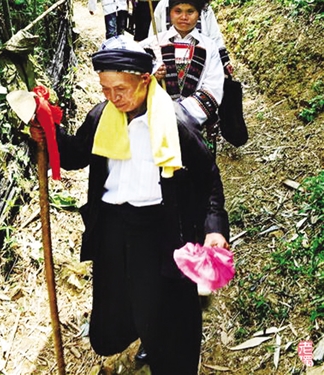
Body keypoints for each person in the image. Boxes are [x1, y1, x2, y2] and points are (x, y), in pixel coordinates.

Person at [30, 37, 230, 375]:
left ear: (144, 80)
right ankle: (137, 335)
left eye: (120, 89)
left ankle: (165, 355)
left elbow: (208, 178)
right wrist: (49, 133)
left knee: (161, 303)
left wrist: (214, 229)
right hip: (112, 225)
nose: (113, 97)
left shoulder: (176, 123)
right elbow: (76, 154)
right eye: (105, 89)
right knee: (118, 299)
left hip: (158, 228)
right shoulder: (102, 116)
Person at [141, 0, 225, 130]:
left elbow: (213, 87)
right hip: (156, 120)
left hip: (194, 122)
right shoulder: (153, 44)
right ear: (170, 13)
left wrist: (180, 114)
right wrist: (153, 76)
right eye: (178, 11)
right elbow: (135, 78)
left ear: (199, 14)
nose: (184, 17)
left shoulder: (209, 47)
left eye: (190, 12)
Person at [150, 0, 232, 73]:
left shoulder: (201, 2)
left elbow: (213, 33)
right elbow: (154, 34)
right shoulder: (163, 5)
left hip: (200, 59)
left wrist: (224, 60)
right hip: (169, 61)